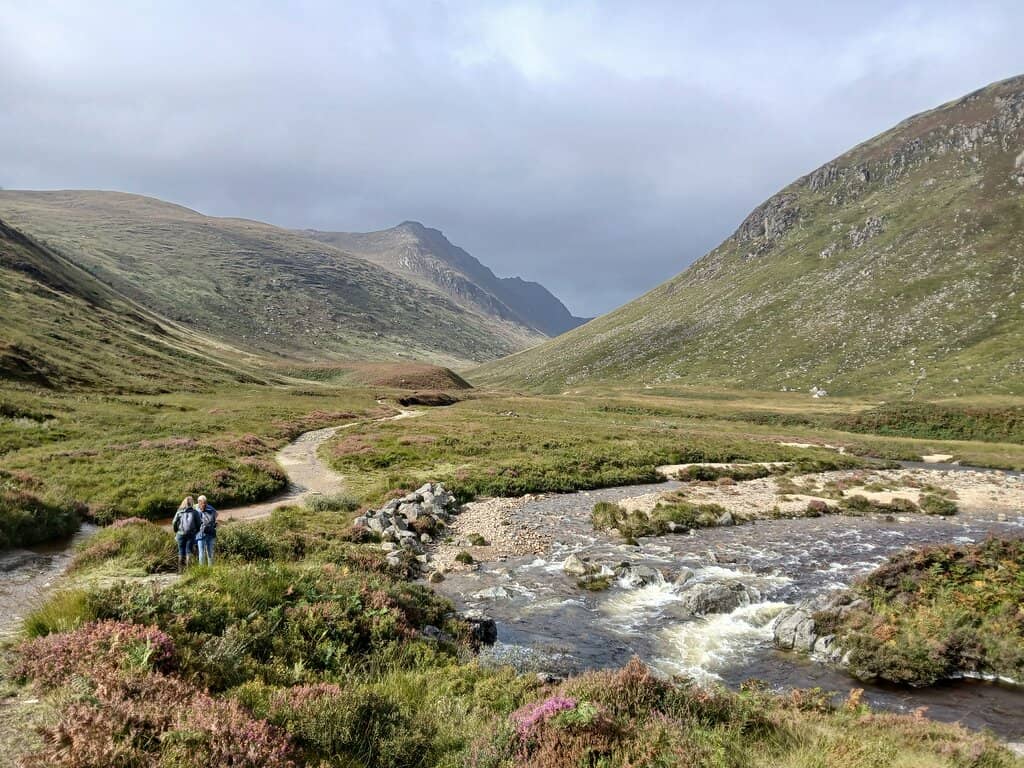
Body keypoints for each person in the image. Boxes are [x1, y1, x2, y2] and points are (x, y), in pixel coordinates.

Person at [172, 496, 200, 571]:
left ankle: (180, 570)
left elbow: (174, 522)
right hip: (191, 534)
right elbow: (199, 524)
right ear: (192, 503)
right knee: (189, 551)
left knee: (181, 551)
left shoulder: (179, 512)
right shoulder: (195, 512)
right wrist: (195, 532)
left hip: (180, 534)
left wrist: (176, 531)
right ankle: (189, 571)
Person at [195, 495, 218, 566]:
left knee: (201, 552)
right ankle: (211, 569)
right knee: (210, 552)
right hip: (211, 532)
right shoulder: (211, 508)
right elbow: (217, 514)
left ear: (199, 501)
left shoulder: (196, 508)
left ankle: (202, 569)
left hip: (201, 533)